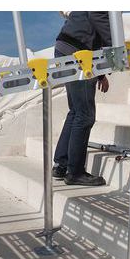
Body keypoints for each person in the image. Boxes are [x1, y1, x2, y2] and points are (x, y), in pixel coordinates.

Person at [52, 11, 112, 186]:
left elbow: (93, 29)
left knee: (76, 111)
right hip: (78, 53)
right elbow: (97, 17)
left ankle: (61, 164)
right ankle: (75, 172)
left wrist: (101, 75)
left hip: (66, 48)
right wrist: (116, 48)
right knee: (85, 115)